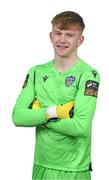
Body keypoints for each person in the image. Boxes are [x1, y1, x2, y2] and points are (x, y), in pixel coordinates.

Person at [12, 11, 100, 180]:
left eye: (69, 35)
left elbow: (80, 126)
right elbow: (18, 117)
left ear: (79, 40)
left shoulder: (89, 74)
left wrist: (41, 118)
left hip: (74, 169)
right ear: (50, 36)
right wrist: (54, 112)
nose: (62, 40)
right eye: (58, 33)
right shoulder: (36, 72)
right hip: (42, 165)